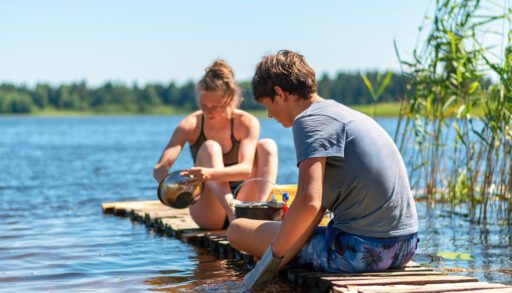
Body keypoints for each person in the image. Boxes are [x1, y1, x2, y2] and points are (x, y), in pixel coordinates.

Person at [227, 50, 418, 288]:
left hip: (361, 253)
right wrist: (283, 254)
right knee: (291, 229)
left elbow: (309, 202)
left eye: (267, 105)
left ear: (279, 93)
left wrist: (266, 264)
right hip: (404, 248)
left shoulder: (309, 121)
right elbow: (316, 208)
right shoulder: (343, 114)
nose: (269, 114)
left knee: (237, 230)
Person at [153, 59, 278, 230]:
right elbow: (160, 168)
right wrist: (173, 189)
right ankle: (232, 213)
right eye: (204, 106)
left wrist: (209, 174)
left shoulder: (246, 122)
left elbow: (245, 169)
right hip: (209, 211)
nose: (209, 111)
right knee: (210, 147)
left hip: (244, 199)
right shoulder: (190, 124)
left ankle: (260, 210)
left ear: (231, 100)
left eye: (216, 106)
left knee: (267, 145)